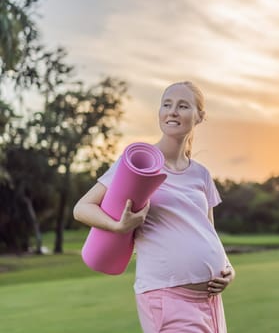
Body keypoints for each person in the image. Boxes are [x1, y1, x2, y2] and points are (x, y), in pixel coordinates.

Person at [73, 81, 234, 333]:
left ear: (200, 116)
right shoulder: (140, 162)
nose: (172, 111)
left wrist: (227, 267)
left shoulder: (201, 174)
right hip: (167, 298)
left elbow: (208, 232)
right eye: (166, 105)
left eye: (183, 106)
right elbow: (82, 208)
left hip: (211, 303)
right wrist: (118, 226)